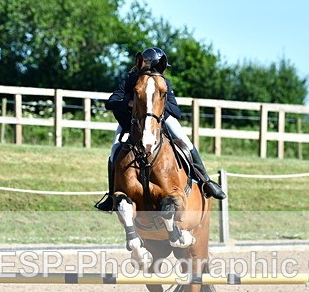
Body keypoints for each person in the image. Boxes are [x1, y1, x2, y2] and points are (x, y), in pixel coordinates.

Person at [95, 47, 227, 212]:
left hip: (159, 120)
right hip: (132, 122)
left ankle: (205, 181)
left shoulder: (163, 81)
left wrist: (156, 107)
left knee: (186, 142)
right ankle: (111, 195)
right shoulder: (131, 79)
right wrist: (130, 103)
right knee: (115, 149)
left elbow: (176, 111)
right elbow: (111, 102)